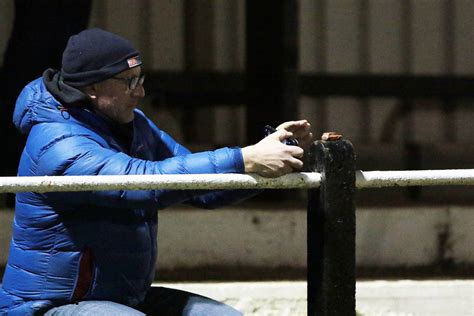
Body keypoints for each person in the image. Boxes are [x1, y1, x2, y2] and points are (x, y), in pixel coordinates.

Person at [0, 28, 313, 315]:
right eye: (129, 81)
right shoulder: (56, 141)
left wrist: (271, 158)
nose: (141, 91)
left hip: (123, 299)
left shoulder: (132, 124)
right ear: (92, 87)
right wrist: (243, 159)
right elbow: (140, 181)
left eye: (141, 77)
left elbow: (205, 188)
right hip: (50, 307)